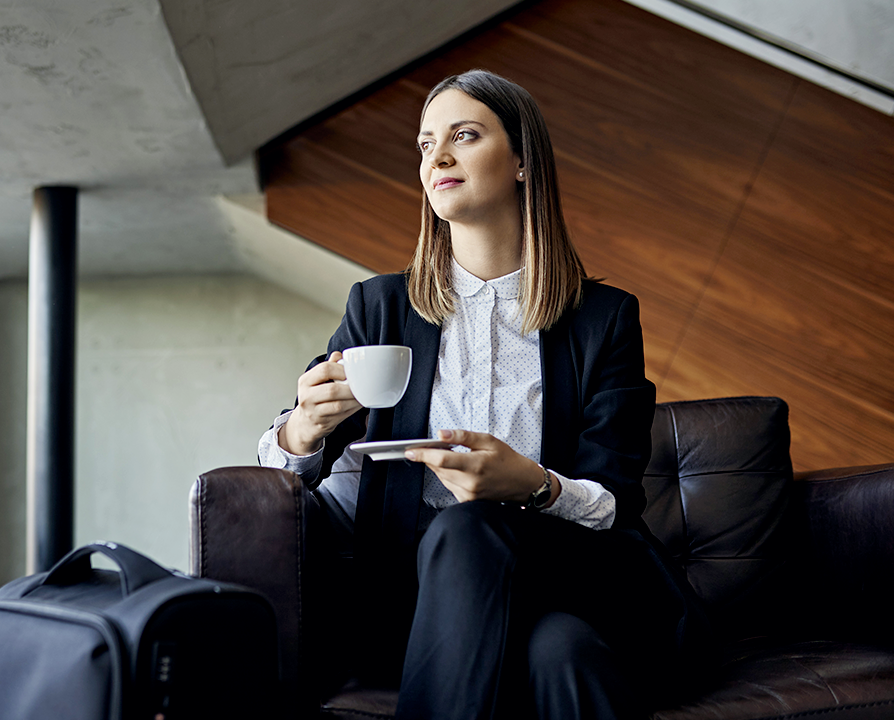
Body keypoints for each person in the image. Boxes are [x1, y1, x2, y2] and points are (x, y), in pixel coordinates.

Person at [258, 69, 707, 719]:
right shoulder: (379, 307)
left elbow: (613, 504)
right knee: (564, 654)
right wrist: (303, 429)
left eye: (463, 136)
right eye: (425, 144)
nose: (436, 156)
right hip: (426, 599)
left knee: (474, 531)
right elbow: (291, 463)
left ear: (522, 161)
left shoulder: (603, 319)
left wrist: (531, 483)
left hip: (572, 571)